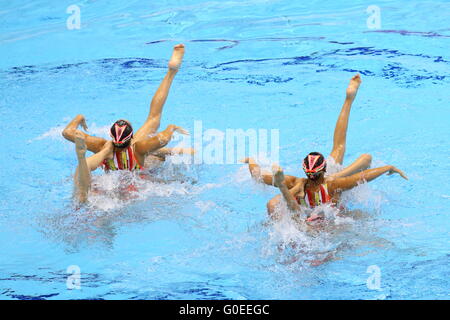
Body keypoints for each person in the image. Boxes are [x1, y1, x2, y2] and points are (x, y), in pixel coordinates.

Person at [243, 74, 407, 221]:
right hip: (334, 208)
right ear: (324, 169)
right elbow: (364, 177)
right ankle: (349, 100)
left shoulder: (293, 182)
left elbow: (256, 174)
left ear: (304, 169)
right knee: (347, 150)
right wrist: (388, 167)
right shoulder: (334, 185)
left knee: (355, 156)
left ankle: (349, 100)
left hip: (307, 215)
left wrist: (251, 161)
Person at [64, 44, 193, 203]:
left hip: (116, 186)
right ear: (131, 137)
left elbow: (67, 132)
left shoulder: (100, 146)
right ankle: (171, 72)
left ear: (111, 137)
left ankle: (170, 151)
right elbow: (162, 138)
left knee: (161, 150)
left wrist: (79, 117)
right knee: (154, 122)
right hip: (140, 180)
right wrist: (171, 127)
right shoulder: (137, 146)